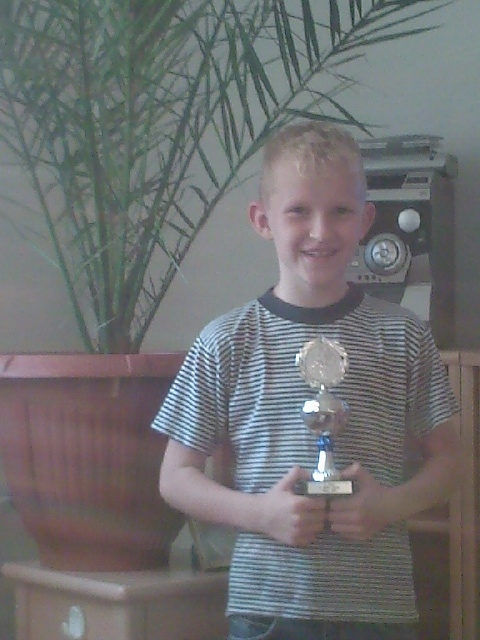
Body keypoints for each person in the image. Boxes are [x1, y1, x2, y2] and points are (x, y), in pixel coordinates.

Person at [151, 121, 460, 640]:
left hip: (378, 609)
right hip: (267, 609)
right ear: (262, 219)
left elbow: (450, 461)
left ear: (366, 219)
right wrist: (260, 514)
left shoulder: (404, 334)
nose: (320, 231)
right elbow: (175, 477)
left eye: (340, 211)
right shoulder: (226, 340)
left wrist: (387, 505)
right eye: (298, 211)